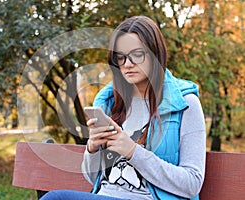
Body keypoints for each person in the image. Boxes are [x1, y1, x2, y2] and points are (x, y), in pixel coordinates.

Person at [40, 16, 206, 200]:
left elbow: (192, 183)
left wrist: (133, 152)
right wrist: (92, 149)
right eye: (121, 57)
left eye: (137, 54)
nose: (127, 64)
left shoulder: (186, 104)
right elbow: (93, 178)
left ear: (155, 54)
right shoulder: (111, 104)